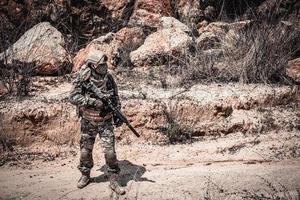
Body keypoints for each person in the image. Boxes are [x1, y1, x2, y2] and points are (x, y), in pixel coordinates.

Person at [69, 50, 125, 195]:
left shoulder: (109, 78)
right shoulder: (83, 79)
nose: (105, 66)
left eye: (105, 63)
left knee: (110, 153)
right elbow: (73, 97)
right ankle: (85, 175)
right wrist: (92, 101)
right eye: (101, 64)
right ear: (93, 66)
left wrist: (117, 113)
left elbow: (115, 97)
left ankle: (113, 179)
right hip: (88, 121)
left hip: (106, 121)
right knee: (85, 152)